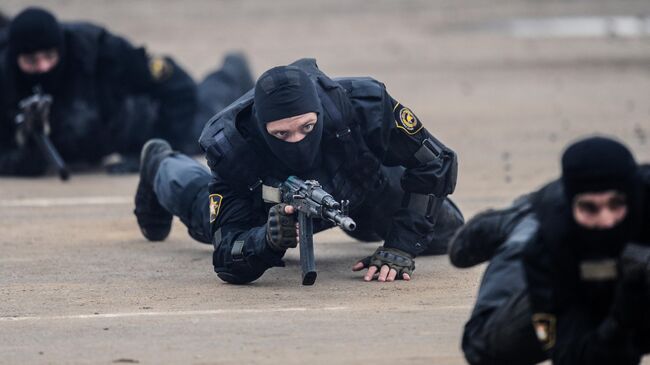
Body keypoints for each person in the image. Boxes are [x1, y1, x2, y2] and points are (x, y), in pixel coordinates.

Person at [133, 58, 465, 284]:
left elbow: (435, 163)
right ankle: (160, 163)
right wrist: (265, 240)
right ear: (262, 129)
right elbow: (226, 256)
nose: (297, 140)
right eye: (281, 134)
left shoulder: (364, 105)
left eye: (307, 127)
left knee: (448, 232)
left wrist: (401, 246)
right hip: (267, 206)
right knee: (201, 214)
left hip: (364, 184)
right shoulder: (232, 147)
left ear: (320, 112)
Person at [449, 136, 650, 364]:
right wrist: (620, 321)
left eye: (616, 204)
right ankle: (522, 221)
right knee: (482, 345)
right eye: (590, 208)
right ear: (572, 205)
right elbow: (570, 354)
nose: (606, 220)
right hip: (570, 270)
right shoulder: (548, 244)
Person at [0, 7, 253, 176]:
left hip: (140, 124)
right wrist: (22, 160)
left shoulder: (100, 51)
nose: (42, 67)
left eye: (49, 57)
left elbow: (177, 86)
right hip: (85, 145)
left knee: (209, 122)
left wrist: (155, 151)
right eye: (31, 61)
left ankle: (232, 71)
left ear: (61, 49)